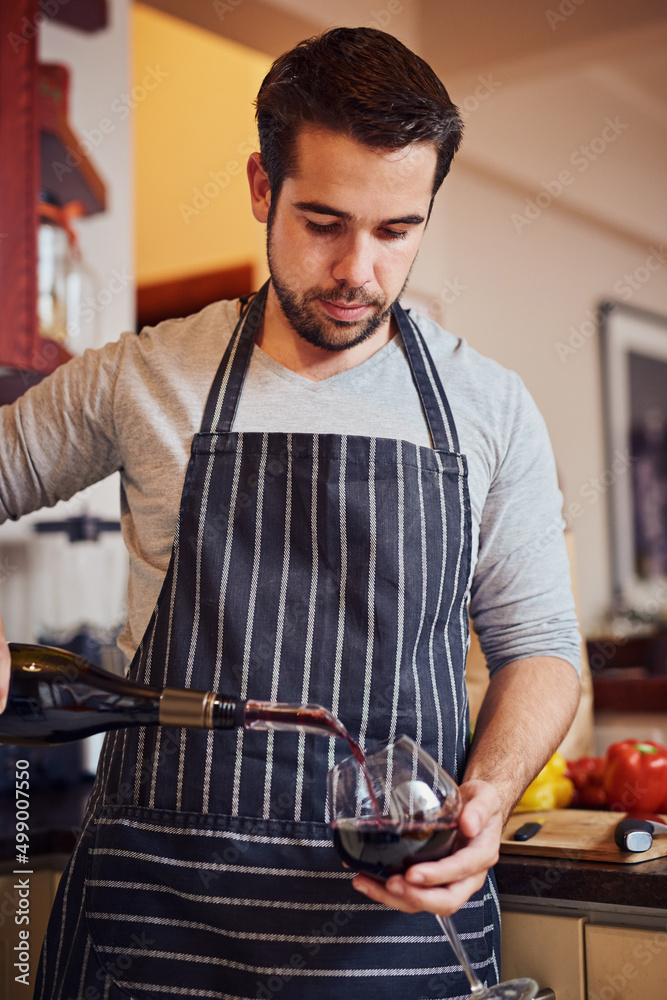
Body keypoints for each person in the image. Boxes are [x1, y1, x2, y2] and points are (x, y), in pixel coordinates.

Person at [0, 26, 581, 1000]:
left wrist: (487, 797)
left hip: (392, 933)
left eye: (397, 230)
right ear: (262, 190)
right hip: (157, 929)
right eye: (324, 221)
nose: (359, 268)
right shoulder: (140, 379)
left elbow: (542, 647)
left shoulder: (489, 407)